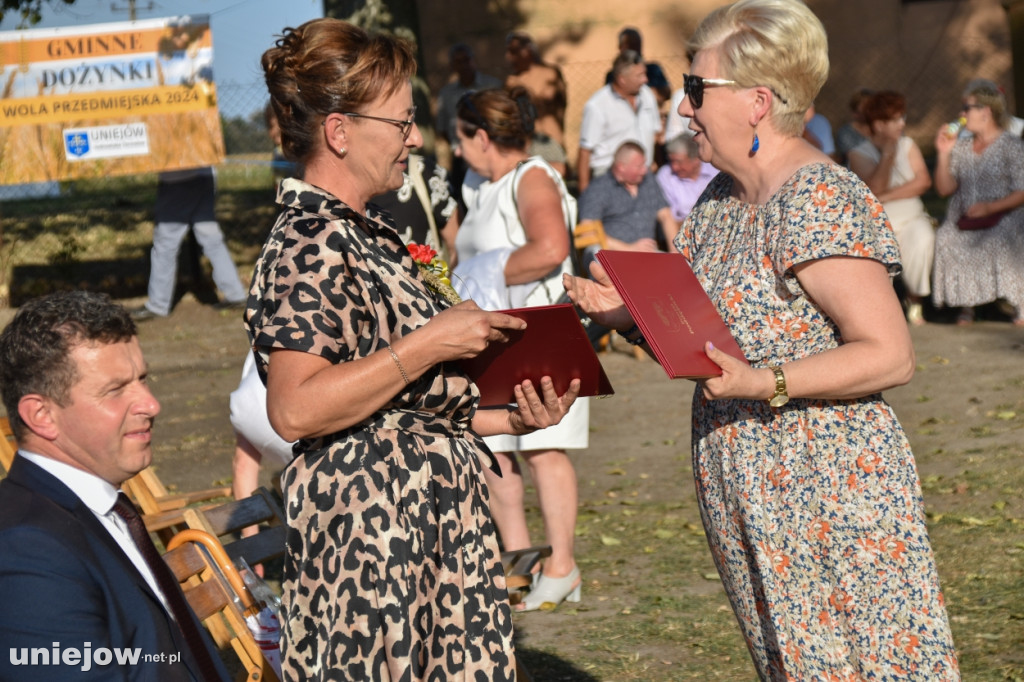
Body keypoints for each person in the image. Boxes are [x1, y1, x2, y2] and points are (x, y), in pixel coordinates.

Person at [564, 0, 961, 678]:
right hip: (741, 478)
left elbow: (889, 353)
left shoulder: (815, 196)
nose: (683, 109)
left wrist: (764, 382)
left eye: (695, 89)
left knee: (862, 662)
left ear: (755, 101)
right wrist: (624, 317)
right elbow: (706, 327)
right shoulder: (720, 197)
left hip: (829, 485)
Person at [254, 19, 579, 680]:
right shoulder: (310, 241)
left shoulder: (369, 234)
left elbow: (404, 408)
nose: (414, 141)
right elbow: (294, 409)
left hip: (430, 528)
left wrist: (512, 419)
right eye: (401, 124)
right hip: (372, 545)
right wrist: (431, 342)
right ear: (340, 132)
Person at [0, 290, 230, 682]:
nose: (151, 404)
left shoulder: (104, 507)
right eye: (116, 389)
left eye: (142, 379)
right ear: (41, 415)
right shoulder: (27, 548)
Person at [449, 87, 588, 612]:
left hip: (540, 327)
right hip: (493, 331)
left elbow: (550, 249)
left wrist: (479, 274)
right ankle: (518, 563)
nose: (456, 150)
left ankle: (563, 565)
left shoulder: (531, 177)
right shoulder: (478, 186)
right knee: (494, 449)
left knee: (542, 447)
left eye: (460, 139)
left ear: (481, 136)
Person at [932, 78, 1024, 326]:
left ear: (985, 111)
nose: (962, 114)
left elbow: (1022, 190)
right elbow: (944, 189)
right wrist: (943, 153)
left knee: (1001, 236)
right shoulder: (961, 147)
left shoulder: (1011, 145)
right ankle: (967, 303)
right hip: (966, 216)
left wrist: (990, 207)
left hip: (1004, 213)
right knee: (946, 237)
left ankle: (1019, 302)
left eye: (967, 108)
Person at [848, 90, 935, 325]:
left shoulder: (908, 144)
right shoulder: (858, 154)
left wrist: (885, 196)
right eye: (896, 119)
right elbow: (873, 188)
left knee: (922, 238)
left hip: (913, 217)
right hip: (879, 224)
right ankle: (883, 313)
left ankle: (915, 301)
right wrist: (887, 155)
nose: (902, 123)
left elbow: (923, 182)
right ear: (878, 124)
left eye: (902, 117)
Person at [131, 167, 248, 321]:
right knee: (211, 238)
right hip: (205, 176)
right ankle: (235, 294)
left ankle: (158, 304)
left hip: (177, 178)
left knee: (165, 243)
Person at [578, 140, 678, 269]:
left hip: (648, 256)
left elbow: (666, 215)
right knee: (597, 256)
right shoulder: (599, 188)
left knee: (684, 267)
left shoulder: (648, 181)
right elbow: (588, 231)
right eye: (639, 166)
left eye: (644, 165)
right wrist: (629, 248)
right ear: (621, 167)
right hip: (611, 255)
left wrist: (675, 255)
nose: (644, 170)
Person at [577, 50, 662, 193]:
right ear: (622, 79)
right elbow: (585, 151)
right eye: (639, 75)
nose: (645, 80)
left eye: (645, 74)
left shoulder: (647, 95)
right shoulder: (597, 106)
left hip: (643, 175)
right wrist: (585, 193)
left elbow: (656, 134)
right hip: (610, 179)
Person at [434, 43, 503, 201]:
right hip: (460, 157)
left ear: (474, 60)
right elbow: (443, 131)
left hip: (490, 151)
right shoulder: (446, 94)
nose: (464, 65)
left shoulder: (492, 86)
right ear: (452, 65)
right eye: (459, 61)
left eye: (467, 59)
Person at [504, 30, 569, 177]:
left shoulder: (550, 73)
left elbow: (560, 103)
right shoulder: (511, 82)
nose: (508, 57)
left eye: (513, 52)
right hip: (525, 142)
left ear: (527, 51)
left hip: (550, 137)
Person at [655, 133, 718, 224]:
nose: (674, 167)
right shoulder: (665, 175)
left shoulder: (715, 171)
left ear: (696, 159)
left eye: (679, 162)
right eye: (671, 161)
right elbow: (670, 217)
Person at [604, 27, 672, 106]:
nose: (634, 48)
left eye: (637, 44)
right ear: (620, 47)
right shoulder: (612, 76)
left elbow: (665, 93)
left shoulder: (653, 69)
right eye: (630, 45)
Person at [835, 87, 874, 166]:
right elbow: (855, 158)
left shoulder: (882, 129)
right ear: (855, 111)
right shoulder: (846, 133)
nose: (870, 111)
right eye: (865, 107)